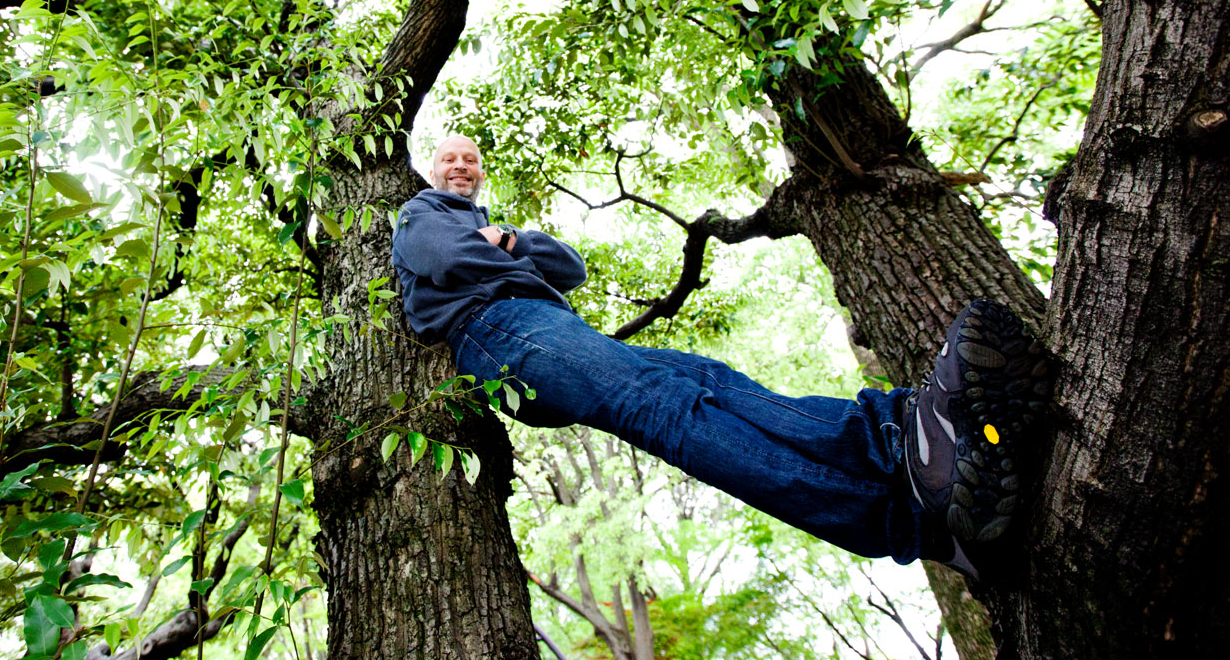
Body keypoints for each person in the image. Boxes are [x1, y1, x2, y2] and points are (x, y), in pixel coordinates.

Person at [392, 135, 1049, 579]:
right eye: (449, 159)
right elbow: (448, 259)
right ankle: (911, 519)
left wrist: (510, 238)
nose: (460, 167)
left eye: (470, 161)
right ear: (429, 171)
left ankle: (899, 441)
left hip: (539, 327)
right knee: (661, 407)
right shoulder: (422, 212)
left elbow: (570, 267)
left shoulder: (491, 223)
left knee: (707, 379)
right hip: (499, 331)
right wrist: (503, 253)